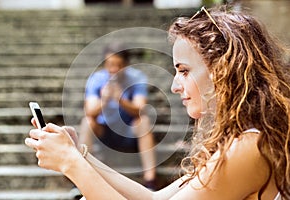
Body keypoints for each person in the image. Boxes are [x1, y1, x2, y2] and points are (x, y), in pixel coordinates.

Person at [25, 5, 290, 199]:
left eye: (184, 71)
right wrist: (80, 155)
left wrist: (72, 163)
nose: (174, 86)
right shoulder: (236, 141)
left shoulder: (249, 146)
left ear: (222, 71)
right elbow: (153, 198)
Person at [78, 42, 157, 189]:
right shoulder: (97, 79)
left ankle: (150, 180)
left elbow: (141, 109)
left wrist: (120, 99)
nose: (113, 69)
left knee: (144, 121)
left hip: (128, 132)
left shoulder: (136, 77)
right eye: (110, 64)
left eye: (118, 65)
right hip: (105, 133)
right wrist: (105, 100)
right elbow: (89, 111)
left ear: (126, 65)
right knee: (87, 122)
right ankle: (81, 178)